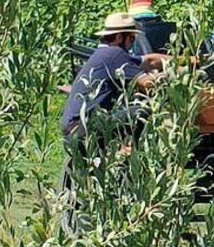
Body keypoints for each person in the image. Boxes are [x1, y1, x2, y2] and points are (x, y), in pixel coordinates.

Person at [60, 12, 168, 148]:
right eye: (132, 38)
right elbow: (148, 83)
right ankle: (134, 153)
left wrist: (188, 61)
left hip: (72, 130)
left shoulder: (105, 53)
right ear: (119, 37)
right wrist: (172, 76)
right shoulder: (115, 54)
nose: (132, 43)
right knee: (144, 111)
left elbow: (150, 61)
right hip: (84, 130)